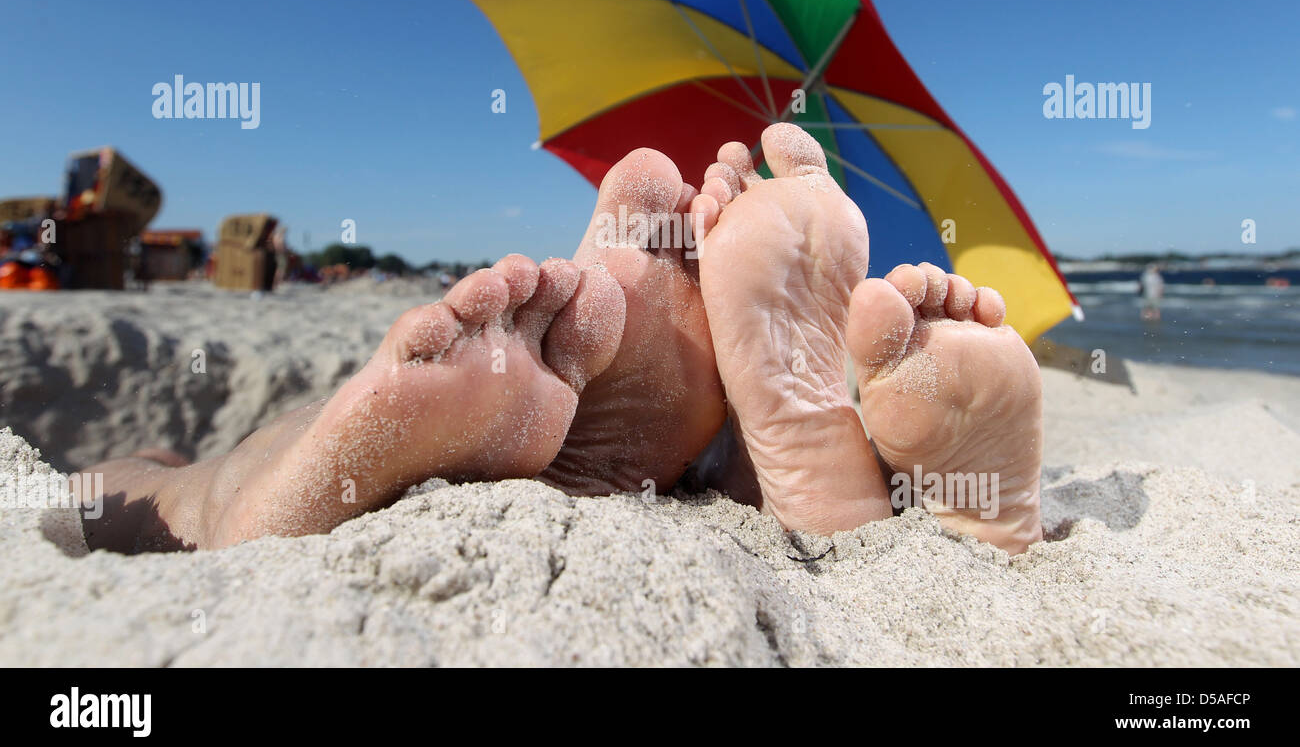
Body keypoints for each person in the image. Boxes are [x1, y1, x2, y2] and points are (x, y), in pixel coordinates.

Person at [74, 125, 1043, 556]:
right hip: (689, 445)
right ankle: (750, 443)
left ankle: (235, 500)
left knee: (143, 485)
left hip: (189, 475)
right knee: (196, 456)